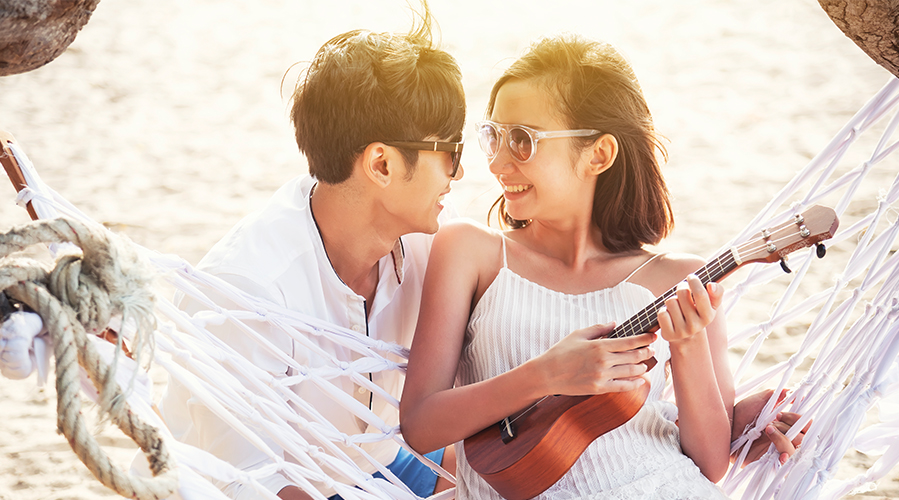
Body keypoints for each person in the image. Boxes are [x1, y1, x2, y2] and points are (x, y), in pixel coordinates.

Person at [399, 34, 799, 499]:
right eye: (494, 137)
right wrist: (547, 374)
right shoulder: (472, 252)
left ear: (599, 155)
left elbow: (710, 463)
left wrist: (687, 348)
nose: (497, 162)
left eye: (522, 140)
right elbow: (421, 425)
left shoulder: (678, 278)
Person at [156, 5, 464, 499]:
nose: (457, 173)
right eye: (449, 153)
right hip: (277, 486)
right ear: (381, 164)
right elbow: (249, 481)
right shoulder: (248, 288)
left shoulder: (428, 243)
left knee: (508, 476)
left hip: (377, 460)